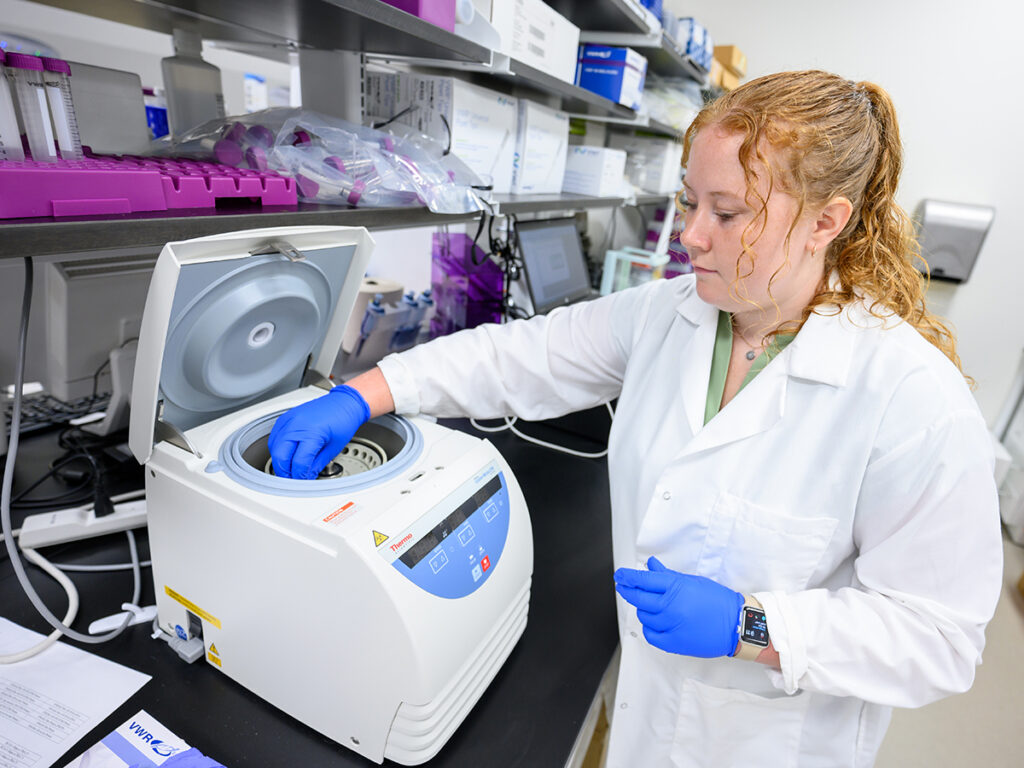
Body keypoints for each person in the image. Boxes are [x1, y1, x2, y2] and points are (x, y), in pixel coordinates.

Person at [268, 70, 1003, 767]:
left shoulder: (913, 398)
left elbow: (940, 638)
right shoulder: (672, 313)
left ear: (825, 222)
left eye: (728, 213)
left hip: (768, 744)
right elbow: (525, 355)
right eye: (690, 202)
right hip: (648, 710)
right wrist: (370, 391)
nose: (692, 235)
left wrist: (753, 626)